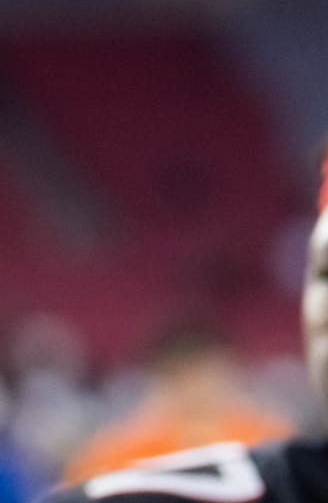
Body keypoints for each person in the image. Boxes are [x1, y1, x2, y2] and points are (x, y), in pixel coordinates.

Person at [38, 171, 328, 503]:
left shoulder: (269, 442)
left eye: (213, 372)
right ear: (166, 377)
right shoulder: (115, 456)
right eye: (324, 273)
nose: (205, 386)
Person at [58, 321, 292, 485]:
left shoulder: (267, 443)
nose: (200, 389)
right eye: (187, 377)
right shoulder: (116, 455)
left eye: (208, 374)